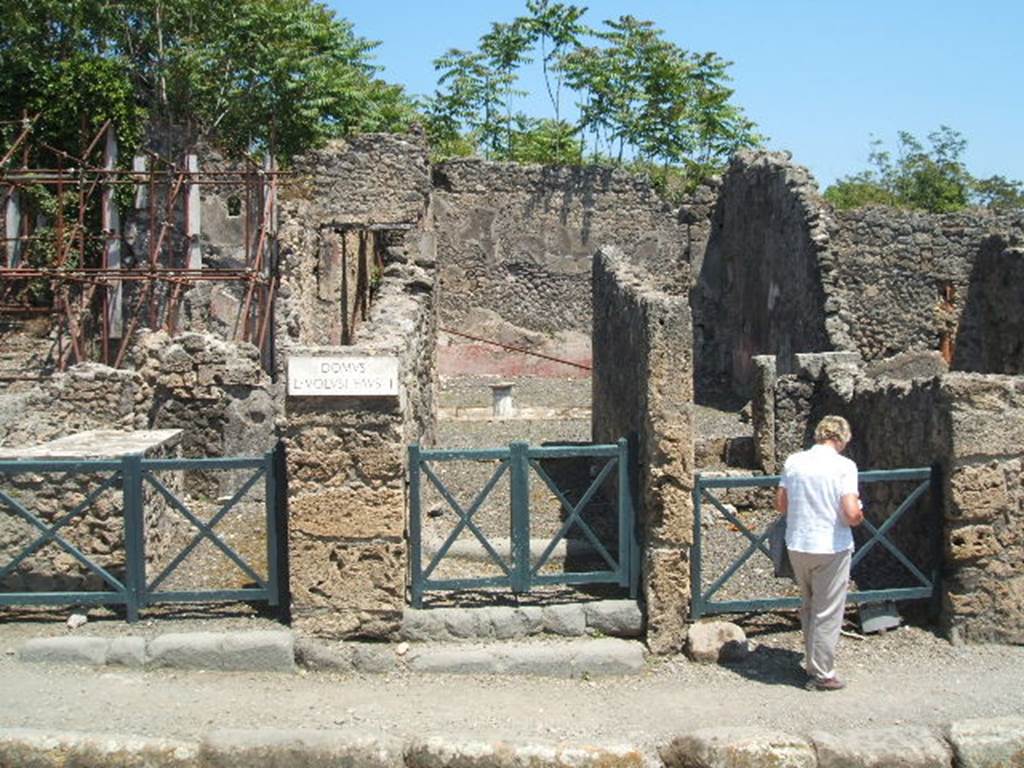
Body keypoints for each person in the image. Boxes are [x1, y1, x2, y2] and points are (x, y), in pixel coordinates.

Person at [775, 414, 863, 691]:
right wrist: (859, 516)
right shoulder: (844, 466)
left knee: (809, 604)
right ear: (841, 438)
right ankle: (823, 673)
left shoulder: (794, 461)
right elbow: (850, 512)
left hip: (798, 543)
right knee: (828, 611)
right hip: (831, 545)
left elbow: (780, 504)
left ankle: (813, 662)